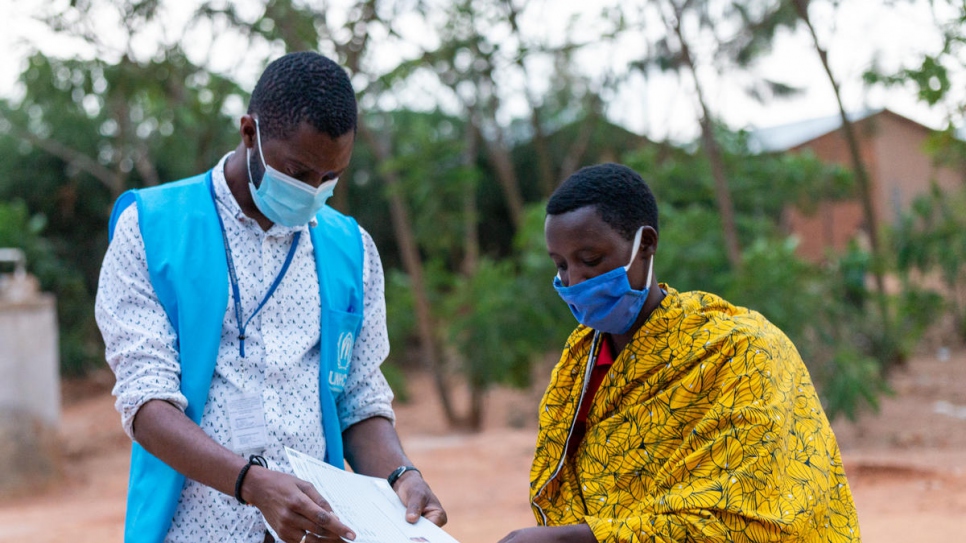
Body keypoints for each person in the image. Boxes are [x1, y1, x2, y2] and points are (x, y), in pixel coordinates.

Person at [95, 51, 446, 543]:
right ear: (248, 133)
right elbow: (146, 403)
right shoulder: (152, 230)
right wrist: (252, 485)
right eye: (298, 172)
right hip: (193, 529)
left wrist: (401, 476)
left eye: (330, 178)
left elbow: (360, 401)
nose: (313, 191)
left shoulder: (351, 249)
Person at [499, 163, 860, 543]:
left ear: (646, 244)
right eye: (560, 266)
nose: (574, 282)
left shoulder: (738, 351)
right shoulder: (579, 364)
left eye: (590, 260)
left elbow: (746, 518)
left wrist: (572, 540)